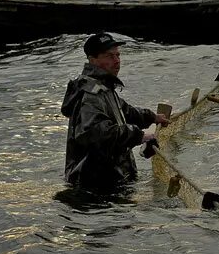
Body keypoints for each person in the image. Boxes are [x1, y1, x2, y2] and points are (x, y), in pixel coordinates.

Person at [60, 33, 170, 190]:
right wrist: (139, 136)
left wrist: (152, 117)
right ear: (93, 60)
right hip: (93, 185)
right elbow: (96, 132)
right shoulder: (91, 94)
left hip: (108, 177)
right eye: (109, 56)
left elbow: (124, 110)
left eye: (118, 55)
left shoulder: (104, 87)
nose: (117, 61)